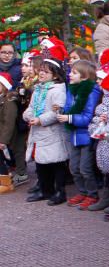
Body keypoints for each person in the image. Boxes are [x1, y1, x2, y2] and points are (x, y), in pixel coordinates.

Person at [24, 59, 69, 205]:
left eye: (46, 71)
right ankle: (45, 190)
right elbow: (31, 107)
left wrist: (40, 119)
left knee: (56, 163)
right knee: (41, 164)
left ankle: (60, 192)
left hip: (52, 132)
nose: (41, 73)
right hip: (38, 132)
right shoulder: (39, 88)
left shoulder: (58, 90)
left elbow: (57, 111)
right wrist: (29, 115)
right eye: (41, 70)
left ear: (55, 75)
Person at [59, 60, 102, 209]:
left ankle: (92, 194)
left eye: (74, 72)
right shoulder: (71, 89)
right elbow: (67, 107)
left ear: (84, 76)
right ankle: (82, 192)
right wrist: (62, 112)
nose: (70, 74)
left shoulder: (91, 91)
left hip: (86, 134)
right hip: (74, 133)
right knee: (74, 168)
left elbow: (88, 117)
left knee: (85, 168)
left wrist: (69, 118)